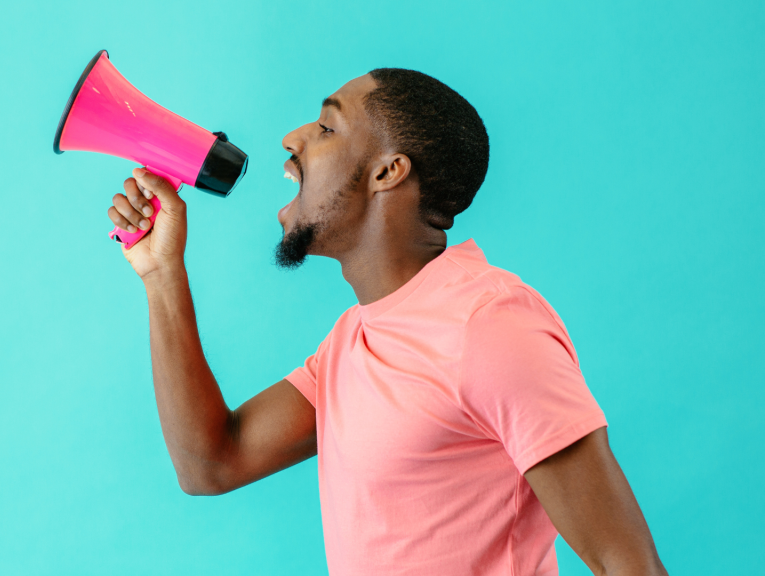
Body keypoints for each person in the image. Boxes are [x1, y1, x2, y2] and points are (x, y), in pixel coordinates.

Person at [106, 68, 668, 576]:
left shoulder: (491, 326)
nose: (292, 138)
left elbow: (628, 564)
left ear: (388, 171)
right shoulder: (355, 339)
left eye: (327, 128)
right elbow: (211, 464)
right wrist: (162, 273)